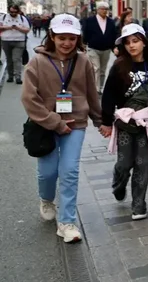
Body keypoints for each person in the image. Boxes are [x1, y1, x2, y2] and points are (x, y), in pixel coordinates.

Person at [21, 14, 102, 242]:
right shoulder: (37, 62)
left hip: (76, 123)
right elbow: (29, 99)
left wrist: (100, 121)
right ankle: (46, 199)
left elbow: (91, 93)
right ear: (52, 36)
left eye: (72, 38)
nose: (67, 43)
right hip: (45, 125)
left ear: (78, 39)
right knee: (48, 172)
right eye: (62, 38)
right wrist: (55, 122)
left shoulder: (84, 61)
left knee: (69, 171)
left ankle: (66, 222)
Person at [100, 24, 148, 221]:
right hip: (125, 122)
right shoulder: (119, 66)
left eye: (136, 41)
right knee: (124, 163)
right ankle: (119, 182)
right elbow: (108, 95)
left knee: (142, 163)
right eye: (127, 42)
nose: (132, 45)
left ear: (144, 42)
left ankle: (139, 204)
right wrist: (106, 121)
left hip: (146, 122)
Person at [82, 1, 117, 93]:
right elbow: (85, 33)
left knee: (102, 70)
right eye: (102, 9)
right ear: (97, 10)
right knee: (96, 68)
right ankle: (96, 89)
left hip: (106, 49)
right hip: (93, 48)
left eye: (106, 9)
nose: (104, 11)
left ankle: (101, 87)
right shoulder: (90, 21)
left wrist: (114, 47)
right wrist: (84, 44)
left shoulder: (110, 22)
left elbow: (113, 35)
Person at [0, 4, 31, 84]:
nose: (13, 13)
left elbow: (27, 30)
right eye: (11, 12)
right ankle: (10, 76)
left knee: (16, 59)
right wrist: (8, 27)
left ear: (18, 11)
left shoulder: (22, 18)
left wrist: (18, 28)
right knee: (9, 59)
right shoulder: (3, 17)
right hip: (6, 40)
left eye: (15, 12)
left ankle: (18, 77)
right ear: (9, 11)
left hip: (19, 41)